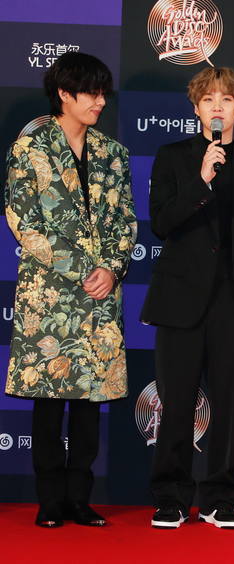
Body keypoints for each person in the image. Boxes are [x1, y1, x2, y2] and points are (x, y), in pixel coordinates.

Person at [4, 52, 136, 528]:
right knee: (48, 400)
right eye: (90, 93)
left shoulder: (113, 153)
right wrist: (84, 269)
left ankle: (80, 499)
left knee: (89, 403)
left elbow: (126, 222)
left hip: (100, 296)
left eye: (103, 94)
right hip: (49, 296)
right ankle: (49, 500)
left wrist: (112, 269)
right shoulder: (30, 148)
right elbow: (23, 222)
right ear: (64, 94)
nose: (100, 102)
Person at [142, 67, 234, 529]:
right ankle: (171, 497)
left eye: (227, 99)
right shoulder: (172, 157)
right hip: (180, 299)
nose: (218, 106)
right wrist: (201, 180)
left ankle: (221, 498)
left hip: (232, 301)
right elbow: (161, 223)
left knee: (230, 406)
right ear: (196, 108)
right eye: (209, 99)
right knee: (176, 403)